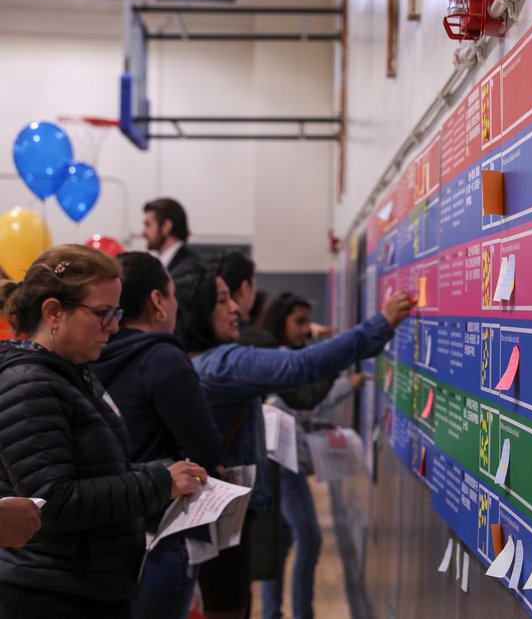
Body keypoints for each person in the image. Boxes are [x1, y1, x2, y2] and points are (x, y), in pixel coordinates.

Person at [176, 258, 413, 619]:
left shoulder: (195, 361)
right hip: (219, 516)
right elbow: (300, 368)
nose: (236, 308)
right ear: (198, 311)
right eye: (222, 301)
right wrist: (379, 325)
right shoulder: (221, 364)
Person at [0, 245, 206, 618]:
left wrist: (161, 472)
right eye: (102, 313)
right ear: (53, 312)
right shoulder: (28, 384)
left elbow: (95, 472)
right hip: (47, 595)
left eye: (117, 313)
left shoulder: (70, 374)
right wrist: (159, 484)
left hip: (81, 587)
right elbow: (53, 502)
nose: (113, 325)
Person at [90, 252, 223, 619]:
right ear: (157, 301)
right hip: (159, 538)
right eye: (173, 293)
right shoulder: (162, 358)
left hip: (100, 534)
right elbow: (204, 452)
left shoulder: (85, 355)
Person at [257, 292, 366, 619]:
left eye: (307, 322)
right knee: (309, 538)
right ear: (281, 321)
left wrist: (318, 423)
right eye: (299, 322)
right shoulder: (278, 360)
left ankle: (273, 613)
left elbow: (300, 413)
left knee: (282, 543)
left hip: (281, 459)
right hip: (282, 462)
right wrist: (347, 383)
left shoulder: (280, 357)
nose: (306, 329)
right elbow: (306, 402)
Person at [143, 198, 202, 300]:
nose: (143, 232)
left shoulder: (190, 270)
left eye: (148, 225)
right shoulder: (168, 266)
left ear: (166, 226)